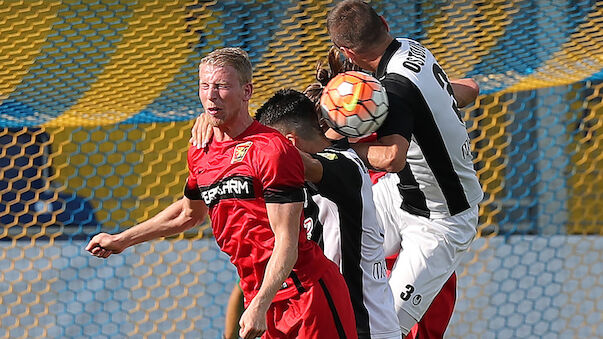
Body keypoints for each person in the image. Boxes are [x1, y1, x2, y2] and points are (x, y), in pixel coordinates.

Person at [86, 47, 357, 339]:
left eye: (222, 86)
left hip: (306, 294)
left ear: (246, 91)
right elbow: (190, 214)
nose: (211, 95)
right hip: (259, 296)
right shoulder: (200, 150)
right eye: (205, 86)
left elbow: (286, 242)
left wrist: (258, 304)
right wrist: (121, 240)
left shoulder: (271, 150)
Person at [326, 1, 484, 337]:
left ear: (348, 53)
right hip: (399, 194)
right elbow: (469, 89)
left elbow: (392, 158)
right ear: (384, 22)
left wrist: (340, 146)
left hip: (441, 222)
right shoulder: (413, 49)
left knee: (383, 328)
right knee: (328, 264)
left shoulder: (395, 89)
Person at [255, 89, 401, 339]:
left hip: (364, 324)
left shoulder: (344, 164)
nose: (262, 155)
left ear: (288, 144)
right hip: (327, 319)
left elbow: (303, 165)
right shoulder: (295, 180)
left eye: (267, 146)